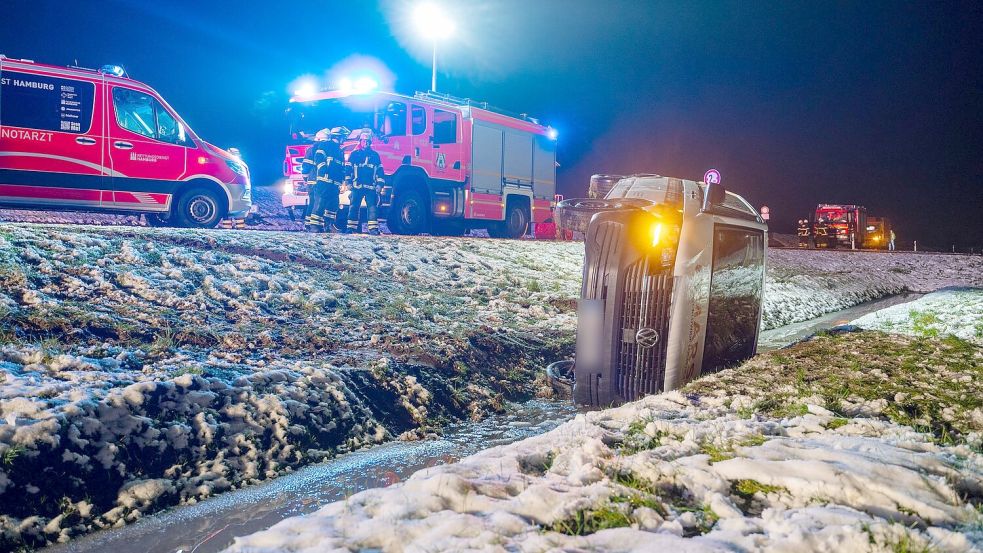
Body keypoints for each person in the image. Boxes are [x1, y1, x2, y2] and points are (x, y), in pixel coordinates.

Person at [301, 127, 348, 232]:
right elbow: (319, 158)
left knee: (333, 204)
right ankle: (314, 226)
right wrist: (323, 171)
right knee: (319, 203)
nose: (345, 139)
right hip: (323, 180)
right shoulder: (325, 146)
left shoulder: (339, 151)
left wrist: (342, 181)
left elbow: (341, 167)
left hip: (334, 182)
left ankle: (327, 224)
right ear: (338, 136)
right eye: (344, 137)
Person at [346, 132, 385, 235]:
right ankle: (351, 228)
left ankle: (373, 229)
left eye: (368, 141)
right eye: (364, 141)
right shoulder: (354, 154)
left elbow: (380, 171)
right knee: (354, 207)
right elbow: (348, 170)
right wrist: (348, 182)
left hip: (371, 187)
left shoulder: (375, 155)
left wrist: (379, 185)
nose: (366, 143)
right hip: (356, 186)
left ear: (370, 142)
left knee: (372, 208)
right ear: (360, 142)